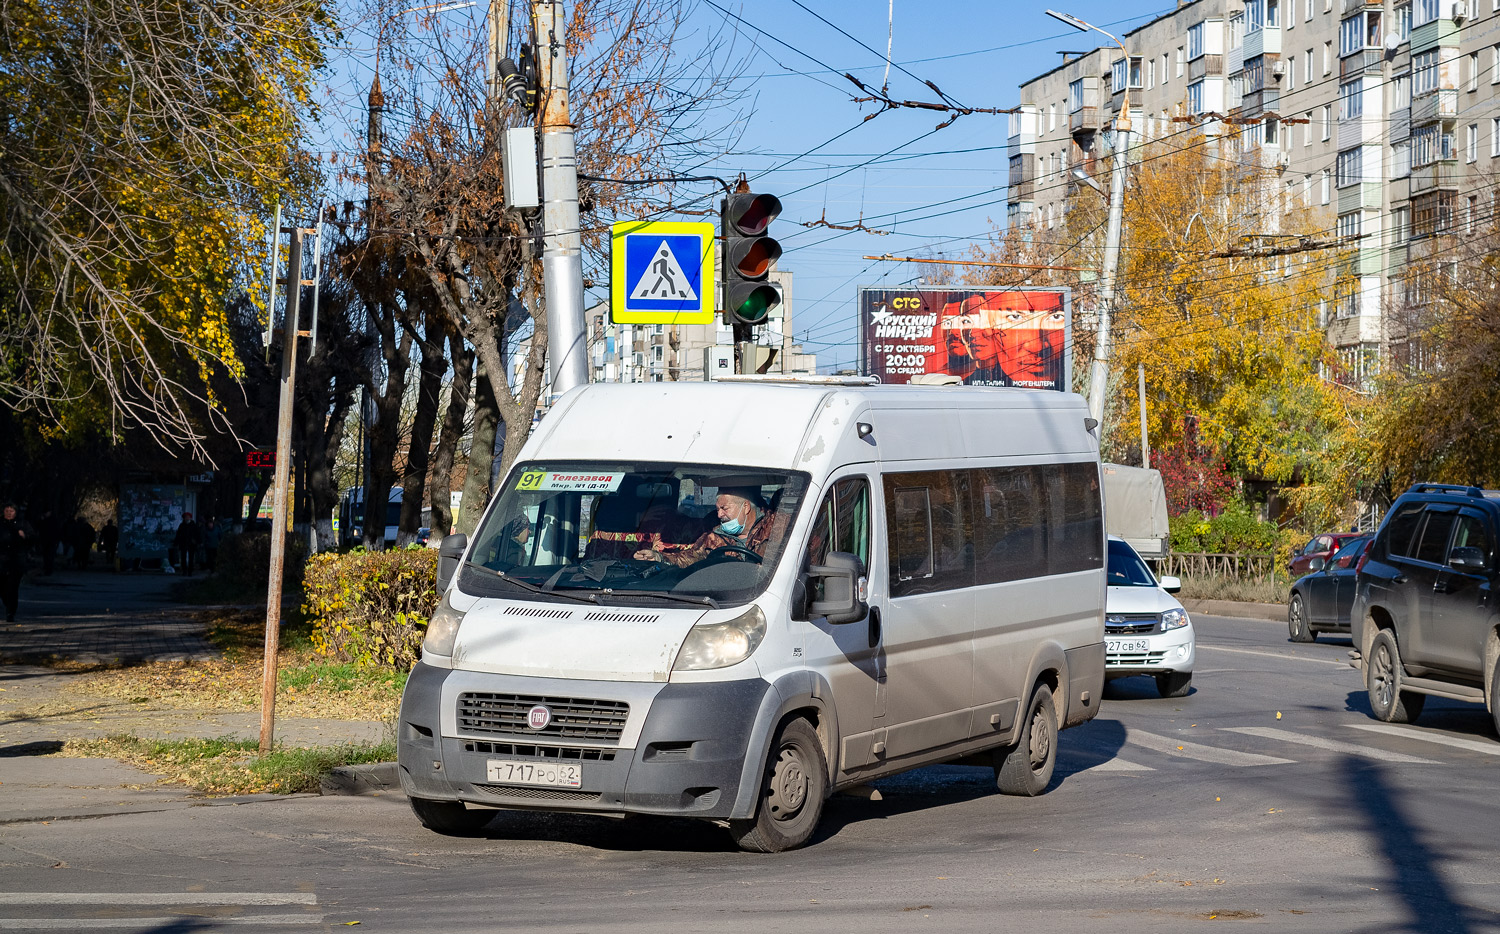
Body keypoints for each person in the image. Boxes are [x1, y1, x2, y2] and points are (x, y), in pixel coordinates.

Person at [634, 487, 785, 568]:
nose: (719, 515)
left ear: (745, 507)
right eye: (718, 509)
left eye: (725, 508)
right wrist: (658, 557)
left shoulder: (779, 528)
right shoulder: (713, 537)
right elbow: (688, 558)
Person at [0, 502, 35, 622]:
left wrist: (25, 536)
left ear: (16, 512)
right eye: (7, 510)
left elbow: (33, 538)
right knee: (2, 588)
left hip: (16, 561)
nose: (9, 513)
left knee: (12, 587)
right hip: (1, 561)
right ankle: (7, 603)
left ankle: (10, 612)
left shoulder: (23, 524)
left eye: (11, 511)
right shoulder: (1, 524)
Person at [173, 512, 202, 576]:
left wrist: (198, 542)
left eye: (188, 517)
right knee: (183, 558)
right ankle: (184, 571)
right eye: (186, 517)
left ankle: (190, 571)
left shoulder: (193, 525)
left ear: (190, 518)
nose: (187, 518)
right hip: (183, 543)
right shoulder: (182, 525)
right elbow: (178, 535)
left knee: (191, 558)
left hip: (191, 544)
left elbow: (197, 534)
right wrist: (176, 543)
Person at [36, 508, 60, 576]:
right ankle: (47, 568)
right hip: (46, 540)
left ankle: (48, 569)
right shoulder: (45, 520)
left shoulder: (52, 520)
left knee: (49, 555)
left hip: (50, 540)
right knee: (47, 555)